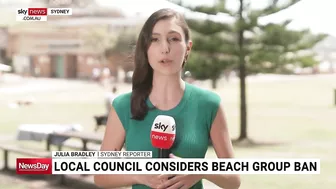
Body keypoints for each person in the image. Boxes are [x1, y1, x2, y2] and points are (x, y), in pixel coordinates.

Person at [94, 8, 241, 189]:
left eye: (174, 38)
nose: (165, 48)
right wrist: (141, 177)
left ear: (188, 48)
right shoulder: (123, 106)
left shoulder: (209, 104)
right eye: (155, 40)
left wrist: (198, 170)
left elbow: (234, 180)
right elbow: (101, 176)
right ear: (146, 48)